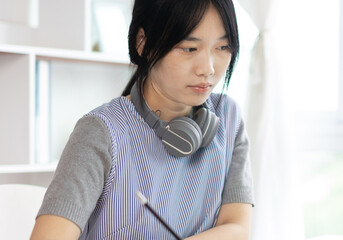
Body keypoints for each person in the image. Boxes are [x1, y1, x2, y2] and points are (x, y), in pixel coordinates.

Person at [30, 0, 253, 239]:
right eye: (189, 48)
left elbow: (237, 228)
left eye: (222, 47)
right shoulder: (100, 132)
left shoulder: (228, 117)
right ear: (143, 43)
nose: (208, 68)